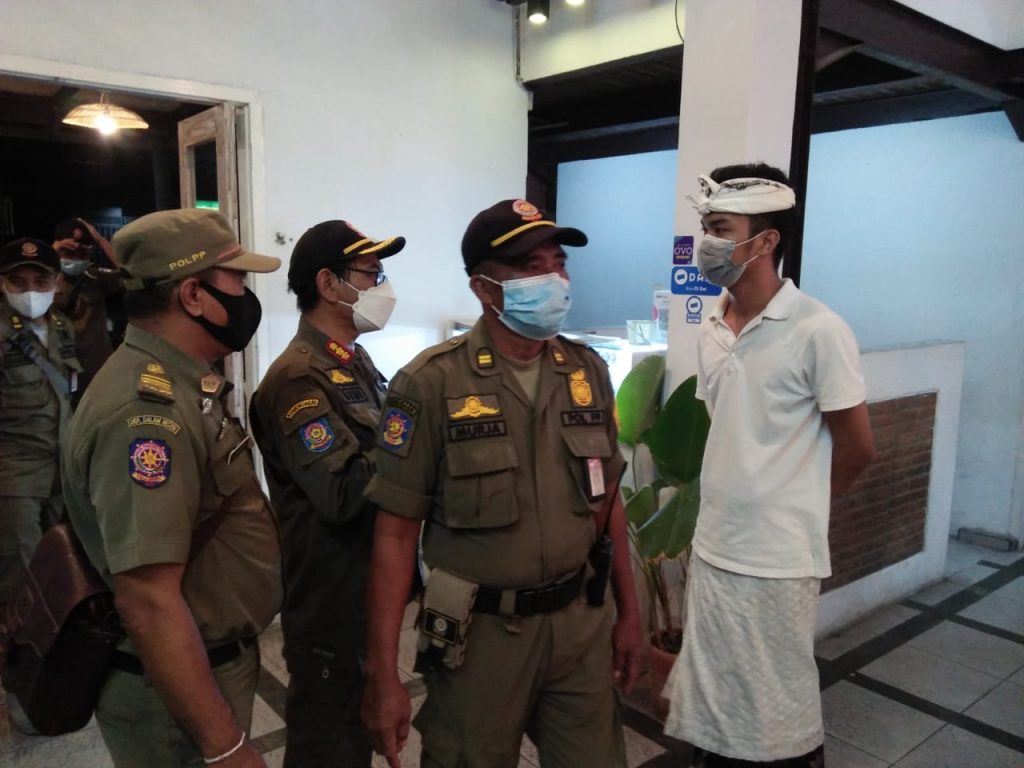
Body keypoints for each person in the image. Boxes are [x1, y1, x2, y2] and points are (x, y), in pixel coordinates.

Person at [361, 199, 644, 768]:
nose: (554, 279)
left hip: (579, 626)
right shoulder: (430, 383)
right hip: (479, 638)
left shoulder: (587, 371)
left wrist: (631, 614)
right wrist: (382, 674)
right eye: (530, 267)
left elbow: (607, 500)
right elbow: (395, 535)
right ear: (484, 288)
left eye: (558, 264)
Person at [663, 164, 878, 768]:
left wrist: (796, 504)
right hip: (715, 546)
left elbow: (859, 448)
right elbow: (728, 429)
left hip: (778, 558)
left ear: (766, 241)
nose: (707, 242)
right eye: (706, 227)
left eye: (720, 229)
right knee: (717, 703)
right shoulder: (712, 328)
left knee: (778, 712)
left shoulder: (819, 330)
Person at [61, 209, 283, 768]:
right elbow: (148, 598)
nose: (246, 297)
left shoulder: (183, 384)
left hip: (204, 665)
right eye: (237, 281)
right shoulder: (145, 414)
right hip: (173, 695)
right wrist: (226, 746)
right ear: (193, 295)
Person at [250, 219, 405, 768]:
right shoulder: (298, 379)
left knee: (354, 735)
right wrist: (414, 435)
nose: (383, 286)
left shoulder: (353, 359)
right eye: (372, 273)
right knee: (329, 746)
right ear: (327, 283)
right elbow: (341, 491)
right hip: (329, 605)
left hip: (362, 591)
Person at [0, 237, 81, 614]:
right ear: (2, 283)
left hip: (61, 472)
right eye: (18, 282)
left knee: (57, 570)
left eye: (40, 280)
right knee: (20, 575)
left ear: (57, 283)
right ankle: (13, 643)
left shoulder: (64, 328)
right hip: (15, 476)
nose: (30, 291)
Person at [52, 216, 125, 399]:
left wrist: (101, 240)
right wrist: (51, 255)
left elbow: (131, 275)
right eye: (69, 253)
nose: (76, 259)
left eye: (82, 254)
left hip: (96, 366)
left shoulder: (95, 278)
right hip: (60, 367)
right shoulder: (45, 280)